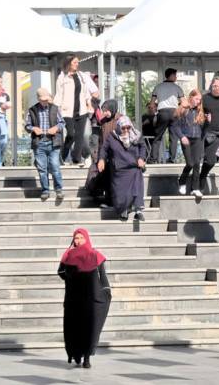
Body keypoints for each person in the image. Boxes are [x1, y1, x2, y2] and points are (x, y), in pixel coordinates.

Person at [58, 229, 111, 369]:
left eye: (82, 237)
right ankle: (76, 354)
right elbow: (61, 273)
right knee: (74, 328)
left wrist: (107, 293)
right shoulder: (68, 257)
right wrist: (67, 254)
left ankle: (87, 357)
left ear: (86, 239)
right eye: (76, 238)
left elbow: (103, 277)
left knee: (89, 327)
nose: (79, 240)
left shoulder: (95, 255)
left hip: (91, 298)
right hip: (73, 299)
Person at [98, 116, 147, 221]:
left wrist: (141, 159)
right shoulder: (112, 136)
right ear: (119, 127)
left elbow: (143, 147)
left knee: (137, 187)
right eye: (123, 128)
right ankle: (123, 210)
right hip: (119, 169)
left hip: (133, 166)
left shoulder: (136, 135)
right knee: (121, 193)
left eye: (128, 128)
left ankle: (138, 210)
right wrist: (101, 160)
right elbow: (104, 149)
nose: (126, 130)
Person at [55, 54, 96, 167]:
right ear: (68, 63)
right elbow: (59, 94)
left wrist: (89, 103)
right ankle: (63, 155)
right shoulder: (62, 77)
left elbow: (86, 92)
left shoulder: (81, 75)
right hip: (67, 111)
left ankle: (77, 160)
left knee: (80, 135)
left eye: (78, 62)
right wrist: (58, 107)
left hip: (82, 110)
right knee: (71, 135)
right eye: (75, 62)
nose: (77, 64)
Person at [25, 88, 65, 201]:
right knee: (42, 168)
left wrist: (56, 128)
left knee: (55, 166)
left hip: (53, 142)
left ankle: (58, 190)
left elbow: (62, 122)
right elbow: (27, 126)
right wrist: (34, 129)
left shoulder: (54, 108)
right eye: (43, 100)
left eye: (46, 99)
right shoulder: (32, 110)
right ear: (38, 99)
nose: (45, 102)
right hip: (40, 143)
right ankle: (46, 190)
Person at [148, 68, 185, 164]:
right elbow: (184, 103)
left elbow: (151, 104)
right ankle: (171, 160)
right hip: (174, 113)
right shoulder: (177, 88)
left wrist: (155, 108)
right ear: (171, 76)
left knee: (157, 137)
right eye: (175, 76)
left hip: (162, 113)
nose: (176, 77)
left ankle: (152, 159)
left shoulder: (158, 87)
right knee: (173, 137)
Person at [173, 89, 205, 197]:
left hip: (197, 138)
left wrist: (208, 121)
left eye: (200, 100)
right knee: (190, 163)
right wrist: (182, 137)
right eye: (196, 99)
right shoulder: (183, 110)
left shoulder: (199, 111)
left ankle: (195, 188)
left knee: (196, 163)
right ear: (190, 98)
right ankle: (182, 181)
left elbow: (204, 128)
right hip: (186, 138)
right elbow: (175, 126)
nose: (198, 102)